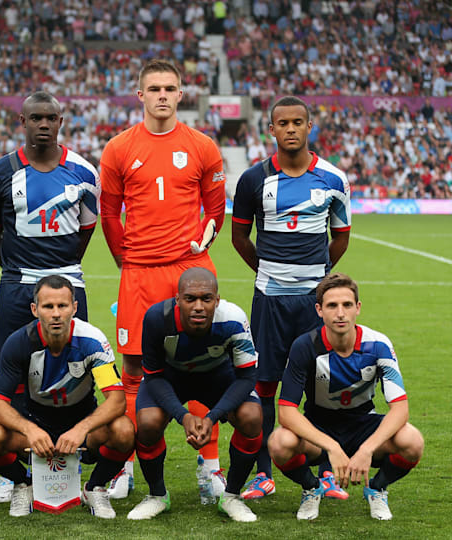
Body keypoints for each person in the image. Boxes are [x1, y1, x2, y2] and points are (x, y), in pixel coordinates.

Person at [99, 59, 227, 499]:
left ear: (180, 93)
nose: (161, 96)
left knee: (201, 366)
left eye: (169, 88)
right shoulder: (118, 148)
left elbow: (215, 208)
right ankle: (125, 467)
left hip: (187, 273)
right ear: (140, 95)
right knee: (133, 368)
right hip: (138, 272)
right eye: (153, 89)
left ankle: (209, 465)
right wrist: (126, 260)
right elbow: (109, 213)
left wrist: (203, 239)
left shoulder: (202, 146)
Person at [0, 91, 100, 503]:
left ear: (62, 120)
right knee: (12, 379)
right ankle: (15, 478)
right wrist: (17, 269)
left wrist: (61, 269)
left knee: (79, 370)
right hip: (16, 284)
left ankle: (78, 464)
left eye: (51, 117)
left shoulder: (83, 171)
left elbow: (86, 229)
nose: (43, 124)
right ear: (22, 121)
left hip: (69, 280)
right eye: (36, 118)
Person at [232, 95, 351, 499]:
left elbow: (340, 238)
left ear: (309, 125)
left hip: (313, 302)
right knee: (265, 383)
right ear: (271, 129)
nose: (291, 129)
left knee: (321, 384)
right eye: (283, 123)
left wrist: (316, 282)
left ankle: (325, 473)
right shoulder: (253, 179)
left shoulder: (334, 179)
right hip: (269, 299)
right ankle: (264, 473)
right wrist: (269, 273)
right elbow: (239, 237)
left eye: (298, 122)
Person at [0, 275, 135, 519]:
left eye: (62, 306)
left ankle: (95, 488)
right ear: (34, 309)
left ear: (74, 307)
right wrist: (29, 430)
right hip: (36, 430)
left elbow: (116, 399)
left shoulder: (92, 341)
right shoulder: (18, 343)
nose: (56, 313)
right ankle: (24, 485)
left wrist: (81, 429)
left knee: (124, 430)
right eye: (48, 306)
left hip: (83, 432)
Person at [268, 273, 423, 521]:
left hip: (364, 425)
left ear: (357, 308)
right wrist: (332, 447)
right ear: (319, 310)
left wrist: (367, 449)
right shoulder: (304, 346)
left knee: (412, 440)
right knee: (279, 442)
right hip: (319, 428)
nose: (340, 313)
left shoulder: (379, 345)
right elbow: (286, 411)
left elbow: (400, 409)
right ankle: (311, 487)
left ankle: (377, 488)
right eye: (332, 306)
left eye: (347, 305)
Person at [126, 268, 262, 522]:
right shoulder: (156, 318)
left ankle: (231, 496)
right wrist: (182, 415)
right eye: (190, 299)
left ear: (217, 300)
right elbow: (153, 376)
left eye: (206, 298)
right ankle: (157, 496)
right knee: (147, 422)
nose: (198, 306)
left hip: (217, 377)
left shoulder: (233, 319)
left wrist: (212, 417)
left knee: (252, 417)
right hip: (169, 378)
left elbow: (246, 377)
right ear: (177, 300)